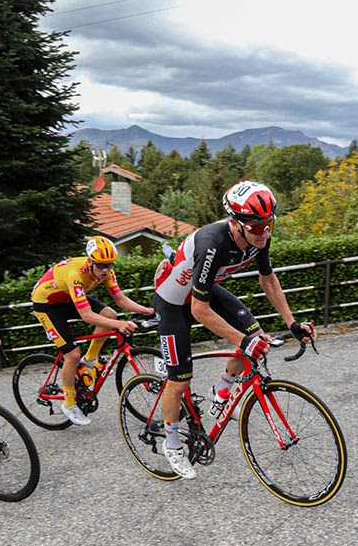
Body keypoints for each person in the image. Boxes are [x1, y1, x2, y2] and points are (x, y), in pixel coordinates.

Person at [153, 181, 316, 480]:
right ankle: (172, 443)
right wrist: (243, 341)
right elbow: (198, 311)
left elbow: (268, 280)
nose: (265, 232)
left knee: (257, 339)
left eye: (269, 224)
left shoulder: (260, 237)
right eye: (257, 227)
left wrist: (292, 323)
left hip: (204, 292)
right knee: (179, 380)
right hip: (174, 302)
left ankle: (223, 388)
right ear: (236, 223)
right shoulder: (212, 242)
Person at [30, 236, 154, 426]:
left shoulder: (107, 272)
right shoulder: (76, 275)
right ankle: (69, 404)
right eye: (101, 266)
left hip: (65, 299)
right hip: (46, 305)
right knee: (71, 355)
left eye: (109, 265)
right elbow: (87, 315)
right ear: (90, 262)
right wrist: (120, 325)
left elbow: (120, 300)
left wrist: (149, 310)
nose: (105, 270)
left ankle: (90, 360)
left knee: (110, 315)